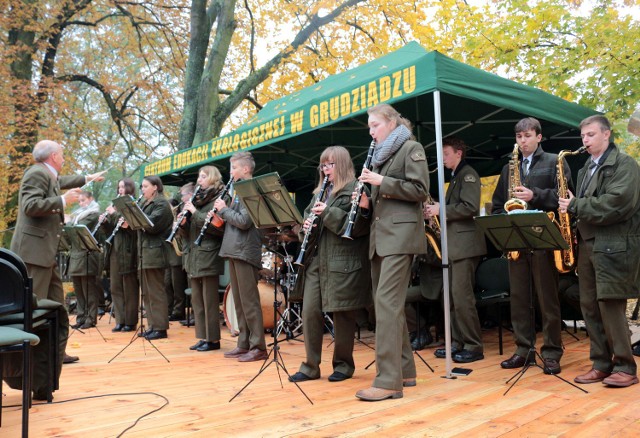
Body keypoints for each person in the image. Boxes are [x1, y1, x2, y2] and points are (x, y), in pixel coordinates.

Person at [355, 103, 430, 401]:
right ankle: (405, 370)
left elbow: (420, 190)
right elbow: (385, 199)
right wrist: (365, 201)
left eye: (375, 125)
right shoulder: (381, 156)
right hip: (381, 238)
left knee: (386, 304)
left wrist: (381, 181)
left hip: (400, 237)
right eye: (370, 128)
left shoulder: (410, 147)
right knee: (386, 305)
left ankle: (388, 382)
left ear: (390, 122)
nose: (371, 132)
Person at [558, 115, 640, 387]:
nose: (585, 140)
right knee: (589, 306)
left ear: (607, 134)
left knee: (610, 305)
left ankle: (626, 368)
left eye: (591, 135)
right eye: (583, 136)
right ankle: (601, 364)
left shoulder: (625, 164)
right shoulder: (583, 170)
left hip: (613, 245)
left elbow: (618, 203)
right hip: (589, 244)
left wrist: (575, 206)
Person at [11, 139, 104, 365]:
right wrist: (63, 200)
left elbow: (60, 181)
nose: (63, 158)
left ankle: (55, 354)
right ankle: (31, 360)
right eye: (62, 154)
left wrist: (87, 178)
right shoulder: (36, 174)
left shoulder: (47, 174)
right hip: (34, 254)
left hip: (44, 253)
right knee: (36, 307)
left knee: (56, 307)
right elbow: (30, 206)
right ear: (53, 156)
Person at [490, 117, 569, 375]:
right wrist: (504, 212)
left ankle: (552, 352)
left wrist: (534, 195)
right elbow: (498, 203)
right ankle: (523, 349)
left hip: (543, 237)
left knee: (547, 299)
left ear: (539, 137)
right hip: (517, 241)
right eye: (519, 137)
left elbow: (564, 196)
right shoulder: (508, 168)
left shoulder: (553, 161)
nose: (522, 141)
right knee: (520, 299)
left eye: (527, 136)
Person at [288, 146, 371, 383]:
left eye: (330, 165)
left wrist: (327, 213)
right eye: (323, 165)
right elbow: (306, 228)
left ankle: (344, 365)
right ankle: (310, 366)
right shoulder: (319, 194)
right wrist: (305, 229)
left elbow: (357, 228)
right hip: (316, 262)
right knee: (310, 311)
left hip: (343, 261)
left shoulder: (356, 189)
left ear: (342, 164)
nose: (325, 170)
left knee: (343, 314)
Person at [425, 137, 486, 363]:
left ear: (459, 153)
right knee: (450, 297)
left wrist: (441, 209)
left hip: (465, 247)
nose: (442, 158)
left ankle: (473, 346)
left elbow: (470, 207)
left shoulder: (468, 175)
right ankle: (458, 342)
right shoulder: (456, 176)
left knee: (462, 298)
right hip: (455, 247)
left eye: (446, 153)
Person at [216, 151, 268, 362]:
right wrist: (221, 212)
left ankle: (259, 347)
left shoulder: (252, 189)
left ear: (246, 169)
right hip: (234, 248)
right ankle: (244, 343)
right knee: (238, 301)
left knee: (249, 301)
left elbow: (245, 221)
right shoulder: (237, 190)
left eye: (234, 167)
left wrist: (224, 210)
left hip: (245, 249)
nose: (231, 172)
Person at [181, 167, 226, 352]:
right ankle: (202, 336)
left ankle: (213, 339)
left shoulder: (219, 199)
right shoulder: (198, 200)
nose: (199, 180)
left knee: (209, 301)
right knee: (197, 301)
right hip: (194, 254)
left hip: (208, 254)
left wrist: (195, 213)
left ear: (213, 178)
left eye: (203, 176)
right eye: (199, 176)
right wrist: (183, 224)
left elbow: (218, 228)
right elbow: (190, 232)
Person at [137, 175, 174, 340]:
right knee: (147, 292)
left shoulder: (161, 204)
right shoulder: (145, 203)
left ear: (155, 187)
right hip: (145, 252)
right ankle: (152, 325)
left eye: (145, 186)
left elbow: (151, 225)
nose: (142, 189)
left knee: (156, 291)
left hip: (156, 252)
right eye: (142, 186)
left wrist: (135, 216)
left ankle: (160, 327)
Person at [102, 178, 139, 333]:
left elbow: (131, 225)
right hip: (115, 250)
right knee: (115, 287)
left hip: (128, 250)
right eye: (119, 187)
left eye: (123, 187)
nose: (120, 189)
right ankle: (120, 320)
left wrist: (113, 214)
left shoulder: (133, 204)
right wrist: (105, 221)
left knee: (129, 287)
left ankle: (130, 321)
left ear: (129, 188)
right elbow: (110, 231)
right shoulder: (116, 206)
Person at [66, 190, 101, 329]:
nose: (81, 203)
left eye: (83, 200)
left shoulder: (93, 214)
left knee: (88, 290)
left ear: (90, 199)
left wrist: (68, 222)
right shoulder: (77, 215)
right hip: (75, 256)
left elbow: (79, 230)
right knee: (79, 289)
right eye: (79, 201)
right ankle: (81, 317)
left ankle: (91, 319)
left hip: (87, 256)